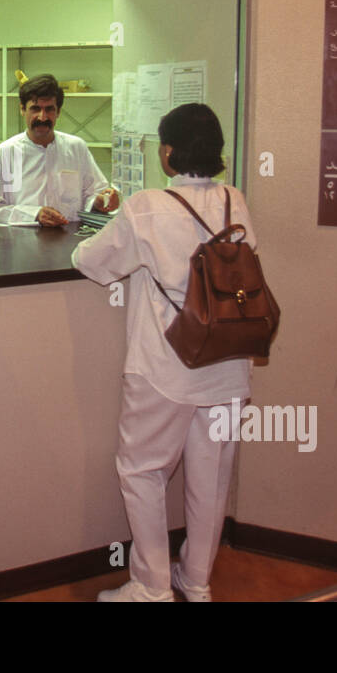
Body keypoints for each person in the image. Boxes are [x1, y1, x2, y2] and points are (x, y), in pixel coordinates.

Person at [73, 103, 254, 602]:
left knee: (142, 471)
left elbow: (94, 262)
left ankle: (150, 587)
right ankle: (196, 582)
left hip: (165, 367)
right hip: (228, 363)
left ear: (168, 153)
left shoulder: (147, 206)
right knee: (211, 479)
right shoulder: (234, 200)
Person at [0, 73, 119, 226]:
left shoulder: (76, 147)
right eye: (35, 109)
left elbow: (92, 195)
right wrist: (34, 215)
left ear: (58, 111)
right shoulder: (7, 152)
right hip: (22, 243)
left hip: (69, 241)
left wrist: (100, 201)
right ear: (22, 109)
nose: (42, 117)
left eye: (49, 109)